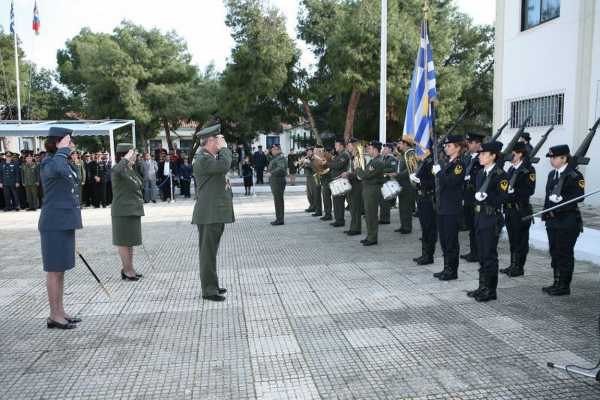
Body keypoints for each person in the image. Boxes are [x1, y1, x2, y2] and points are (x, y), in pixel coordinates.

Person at [39, 127, 83, 329]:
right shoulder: (49, 162)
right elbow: (57, 169)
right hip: (54, 224)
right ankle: (54, 315)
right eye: (68, 140)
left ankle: (60, 311)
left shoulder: (62, 162)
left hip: (64, 223)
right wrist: (62, 150)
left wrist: (63, 152)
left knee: (61, 270)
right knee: (54, 271)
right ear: (58, 143)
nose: (72, 144)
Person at [191, 131, 234, 302]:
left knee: (211, 252)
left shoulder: (207, 158)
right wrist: (225, 149)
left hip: (213, 212)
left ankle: (212, 285)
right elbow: (224, 166)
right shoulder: (203, 158)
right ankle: (208, 290)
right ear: (211, 141)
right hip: (209, 213)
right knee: (207, 253)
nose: (221, 143)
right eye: (219, 140)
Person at [466, 141, 508, 302]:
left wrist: (488, 197)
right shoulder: (481, 173)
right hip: (480, 218)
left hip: (491, 219)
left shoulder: (500, 174)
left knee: (489, 255)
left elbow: (504, 197)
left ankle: (490, 290)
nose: (480, 157)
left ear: (493, 156)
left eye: (484, 154)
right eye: (480, 154)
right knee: (482, 255)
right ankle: (482, 286)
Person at [541, 144, 584, 296]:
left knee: (564, 253)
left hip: (567, 221)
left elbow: (580, 196)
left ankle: (564, 286)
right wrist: (545, 215)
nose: (551, 160)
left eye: (553, 157)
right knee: (554, 251)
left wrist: (562, 198)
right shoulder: (552, 175)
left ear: (564, 158)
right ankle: (556, 281)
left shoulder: (574, 175)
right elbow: (548, 197)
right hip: (552, 221)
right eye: (550, 157)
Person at [432, 135, 465, 281]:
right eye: (445, 146)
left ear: (458, 148)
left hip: (452, 208)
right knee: (444, 240)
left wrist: (439, 172)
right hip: (442, 206)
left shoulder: (459, 165)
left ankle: (452, 271)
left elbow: (451, 182)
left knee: (451, 241)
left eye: (449, 146)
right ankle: (446, 268)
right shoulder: (447, 163)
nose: (446, 148)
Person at [500, 142, 536, 277]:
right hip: (509, 210)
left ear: (520, 154)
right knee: (513, 239)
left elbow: (529, 190)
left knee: (521, 240)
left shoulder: (528, 170)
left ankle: (519, 267)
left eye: (512, 153)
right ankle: (513, 264)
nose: (510, 156)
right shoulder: (511, 169)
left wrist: (512, 192)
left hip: (520, 210)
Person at [111, 144, 145, 281]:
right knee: (124, 242)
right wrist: (125, 159)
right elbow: (117, 170)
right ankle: (127, 270)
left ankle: (129, 268)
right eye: (133, 154)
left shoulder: (130, 169)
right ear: (125, 155)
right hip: (122, 211)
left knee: (130, 242)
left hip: (133, 210)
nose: (136, 157)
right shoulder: (118, 169)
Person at [460, 133, 485, 262]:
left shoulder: (483, 158)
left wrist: (472, 179)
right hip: (467, 197)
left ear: (477, 144)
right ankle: (473, 251)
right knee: (470, 226)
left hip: (477, 197)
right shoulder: (467, 157)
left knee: (477, 227)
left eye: (470, 142)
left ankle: (478, 252)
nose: (468, 145)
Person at [410, 154, 437, 264]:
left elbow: (435, 182)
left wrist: (420, 182)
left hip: (429, 198)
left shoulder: (433, 161)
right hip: (422, 197)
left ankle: (429, 256)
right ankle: (424, 254)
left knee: (429, 228)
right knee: (424, 228)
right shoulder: (425, 160)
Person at [357, 141, 384, 246]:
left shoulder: (377, 162)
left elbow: (365, 175)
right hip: (368, 189)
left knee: (371, 214)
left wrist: (358, 168)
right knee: (368, 214)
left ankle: (373, 238)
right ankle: (369, 236)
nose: (368, 150)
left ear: (375, 149)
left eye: (370, 148)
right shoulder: (373, 161)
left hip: (372, 190)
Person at [394, 136, 417, 234]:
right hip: (402, 183)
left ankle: (407, 227)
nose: (398, 145)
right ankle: (403, 225)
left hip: (408, 184)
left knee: (406, 207)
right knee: (402, 206)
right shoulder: (404, 154)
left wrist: (397, 175)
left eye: (400, 143)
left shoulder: (410, 153)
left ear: (405, 144)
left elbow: (410, 170)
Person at [342, 138, 363, 236]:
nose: (348, 147)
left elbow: (359, 174)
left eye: (349, 145)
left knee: (355, 208)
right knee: (352, 207)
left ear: (354, 146)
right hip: (351, 184)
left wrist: (348, 174)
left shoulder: (358, 157)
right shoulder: (352, 157)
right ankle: (352, 227)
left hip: (357, 185)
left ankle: (356, 228)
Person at [328, 139, 351, 227]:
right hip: (336, 181)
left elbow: (338, 166)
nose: (335, 147)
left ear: (341, 146)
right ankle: (337, 219)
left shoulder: (344, 155)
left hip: (341, 181)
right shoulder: (339, 155)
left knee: (339, 201)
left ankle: (340, 220)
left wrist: (327, 163)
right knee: (336, 201)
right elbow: (334, 163)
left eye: (336, 145)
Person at [266, 144, 287, 226]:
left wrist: (271, 173)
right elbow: (272, 163)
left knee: (278, 200)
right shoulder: (276, 157)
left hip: (278, 181)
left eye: (273, 149)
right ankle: (279, 218)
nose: (272, 151)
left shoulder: (280, 157)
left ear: (278, 150)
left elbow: (281, 168)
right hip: (275, 180)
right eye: (271, 149)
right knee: (277, 200)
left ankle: (280, 219)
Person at [378, 143, 398, 225]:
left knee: (385, 201)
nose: (383, 150)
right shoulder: (383, 158)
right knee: (382, 201)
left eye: (385, 149)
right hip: (383, 181)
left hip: (388, 181)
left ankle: (386, 219)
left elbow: (393, 168)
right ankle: (383, 217)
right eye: (383, 149)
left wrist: (383, 170)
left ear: (390, 149)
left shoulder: (391, 159)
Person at [310, 145, 324, 217]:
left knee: (318, 195)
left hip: (319, 177)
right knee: (316, 195)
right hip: (316, 176)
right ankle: (318, 210)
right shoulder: (315, 157)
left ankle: (319, 211)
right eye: (314, 150)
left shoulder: (320, 157)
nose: (314, 151)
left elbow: (317, 167)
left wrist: (311, 162)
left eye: (315, 150)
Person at [301, 148, 316, 212]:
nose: (308, 153)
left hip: (313, 177)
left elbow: (314, 167)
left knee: (314, 193)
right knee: (309, 193)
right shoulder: (308, 158)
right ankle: (311, 205)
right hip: (308, 177)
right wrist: (302, 162)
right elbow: (303, 167)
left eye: (309, 151)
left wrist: (308, 163)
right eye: (307, 152)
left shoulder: (314, 158)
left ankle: (315, 206)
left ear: (312, 152)